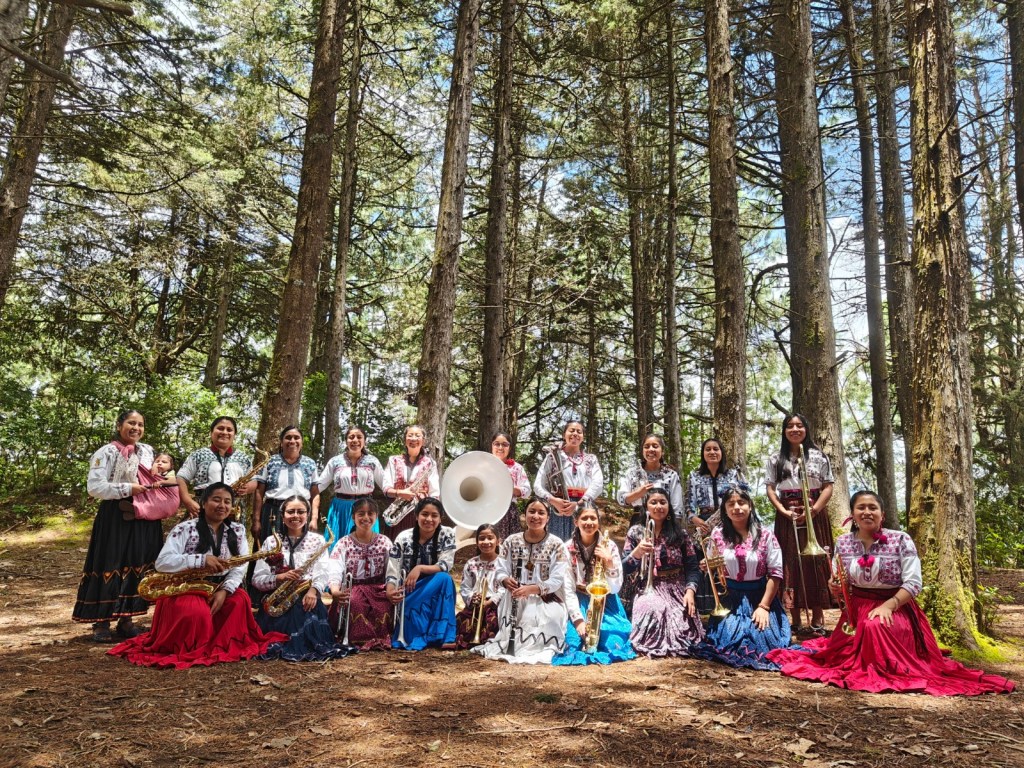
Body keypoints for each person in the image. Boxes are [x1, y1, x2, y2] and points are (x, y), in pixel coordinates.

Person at [768, 491, 1015, 695]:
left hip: (896, 607)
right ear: (852, 515)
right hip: (855, 611)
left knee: (874, 626)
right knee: (843, 648)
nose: (867, 512)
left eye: (872, 507)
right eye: (861, 508)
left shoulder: (900, 539)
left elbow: (914, 583)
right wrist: (837, 589)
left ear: (882, 514)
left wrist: (888, 605)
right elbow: (842, 582)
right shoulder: (843, 543)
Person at [108, 483, 287, 668]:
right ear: (203, 502)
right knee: (197, 613)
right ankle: (195, 647)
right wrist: (201, 560)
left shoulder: (238, 530)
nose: (222, 506)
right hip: (185, 587)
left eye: (227, 502)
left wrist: (225, 590)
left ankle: (218, 644)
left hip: (219, 587)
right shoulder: (184, 528)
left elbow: (238, 566)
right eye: (216, 500)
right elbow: (163, 562)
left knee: (239, 601)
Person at [73, 410, 165, 642]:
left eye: (140, 424)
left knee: (136, 562)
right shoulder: (106, 452)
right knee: (110, 562)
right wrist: (126, 489)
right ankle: (101, 621)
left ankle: (127, 619)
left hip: (142, 513)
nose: (136, 428)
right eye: (131, 423)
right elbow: (95, 487)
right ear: (119, 425)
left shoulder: (148, 451)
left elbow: (156, 477)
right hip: (115, 513)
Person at [691, 488, 791, 670]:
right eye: (731, 504)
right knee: (727, 641)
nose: (737, 508)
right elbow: (714, 565)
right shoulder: (717, 534)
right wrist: (708, 565)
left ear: (750, 506)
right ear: (725, 510)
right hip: (730, 599)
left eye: (741, 503)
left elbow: (775, 574)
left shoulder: (766, 535)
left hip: (759, 599)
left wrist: (764, 607)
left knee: (763, 641)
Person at [473, 498, 570, 664]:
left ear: (548, 518)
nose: (536, 516)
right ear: (524, 515)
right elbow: (500, 569)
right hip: (515, 595)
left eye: (541, 513)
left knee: (550, 620)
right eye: (531, 511)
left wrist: (533, 589)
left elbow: (557, 580)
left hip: (545, 598)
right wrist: (504, 580)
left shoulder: (557, 544)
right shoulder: (511, 541)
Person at [252, 495, 348, 661]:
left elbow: (323, 571)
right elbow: (257, 578)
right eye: (290, 512)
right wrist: (279, 577)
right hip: (276, 600)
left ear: (308, 514)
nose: (295, 516)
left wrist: (313, 591)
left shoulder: (318, 540)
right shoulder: (270, 541)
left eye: (300, 511)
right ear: (282, 516)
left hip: (306, 597)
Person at [764, 413, 835, 635]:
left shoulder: (819, 455)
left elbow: (828, 486)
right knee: (790, 562)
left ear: (806, 429)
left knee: (815, 562)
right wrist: (783, 510)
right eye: (790, 426)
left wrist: (814, 510)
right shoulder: (776, 458)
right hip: (788, 513)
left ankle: (818, 616)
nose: (795, 429)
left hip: (814, 510)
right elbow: (770, 488)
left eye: (799, 425)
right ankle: (794, 618)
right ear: (784, 431)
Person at [624, 487, 705, 657]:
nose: (658, 506)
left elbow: (692, 567)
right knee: (653, 610)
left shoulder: (680, 534)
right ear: (646, 507)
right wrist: (637, 552)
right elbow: (624, 568)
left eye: (663, 502)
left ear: (669, 506)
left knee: (681, 627)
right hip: (648, 587)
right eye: (653, 502)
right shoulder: (635, 532)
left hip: (677, 588)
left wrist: (690, 591)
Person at [553, 504, 635, 666]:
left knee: (612, 643)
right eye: (584, 518)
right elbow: (568, 589)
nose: (589, 522)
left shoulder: (609, 546)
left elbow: (616, 588)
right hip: (578, 601)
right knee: (573, 643)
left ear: (598, 521)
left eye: (593, 518)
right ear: (576, 521)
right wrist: (578, 620)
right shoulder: (567, 547)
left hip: (606, 601)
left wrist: (609, 562)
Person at [685, 437, 750, 614]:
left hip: (729, 522)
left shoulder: (732, 475)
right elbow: (688, 506)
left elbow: (742, 499)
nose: (712, 452)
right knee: (706, 563)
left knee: (727, 560)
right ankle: (708, 607)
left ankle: (732, 603)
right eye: (708, 449)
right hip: (705, 524)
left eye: (716, 449)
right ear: (703, 454)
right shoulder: (694, 475)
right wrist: (694, 519)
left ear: (722, 453)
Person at [385, 497, 457, 650]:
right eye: (424, 514)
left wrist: (420, 569)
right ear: (416, 516)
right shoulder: (403, 537)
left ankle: (445, 636)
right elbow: (393, 568)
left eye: (434, 515)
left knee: (444, 579)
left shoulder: (447, 533)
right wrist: (390, 590)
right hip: (410, 589)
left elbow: (445, 564)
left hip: (436, 585)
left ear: (440, 518)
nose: (429, 519)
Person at [328, 498, 394, 650]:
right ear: (353, 517)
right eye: (361, 514)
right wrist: (335, 591)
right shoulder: (344, 543)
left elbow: (392, 569)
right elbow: (334, 568)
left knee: (383, 605)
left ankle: (382, 638)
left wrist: (391, 589)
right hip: (353, 588)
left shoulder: (385, 542)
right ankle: (359, 640)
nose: (366, 518)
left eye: (370, 513)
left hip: (379, 588)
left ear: (376, 517)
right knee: (355, 602)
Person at [533, 421, 604, 541]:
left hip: (583, 507)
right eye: (571, 430)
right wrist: (553, 500)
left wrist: (579, 503)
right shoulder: (552, 456)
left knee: (583, 543)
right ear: (564, 434)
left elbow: (598, 483)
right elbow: (538, 484)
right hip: (559, 507)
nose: (575, 434)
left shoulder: (591, 459)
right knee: (557, 545)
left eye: (579, 432)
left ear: (583, 437)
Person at [318, 425, 385, 548]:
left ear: (364, 440)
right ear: (346, 441)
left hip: (366, 508)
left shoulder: (372, 461)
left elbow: (386, 485)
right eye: (351, 437)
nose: (355, 440)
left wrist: (401, 492)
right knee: (337, 545)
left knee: (367, 546)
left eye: (359, 437)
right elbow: (319, 485)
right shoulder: (335, 461)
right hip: (341, 509)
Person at [177, 416, 255, 520]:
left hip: (234, 510)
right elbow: (181, 478)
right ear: (211, 433)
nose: (225, 432)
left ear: (234, 435)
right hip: (202, 507)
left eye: (229, 430)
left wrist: (248, 487)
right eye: (220, 428)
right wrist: (187, 500)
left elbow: (254, 481)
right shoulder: (198, 454)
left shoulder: (244, 458)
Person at [252, 426, 319, 545]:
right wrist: (256, 520)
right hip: (272, 512)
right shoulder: (269, 462)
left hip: (299, 513)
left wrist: (314, 519)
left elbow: (315, 494)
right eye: (288, 438)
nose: (292, 441)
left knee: (299, 549)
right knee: (269, 551)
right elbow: (259, 492)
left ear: (301, 442)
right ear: (281, 442)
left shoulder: (310, 463)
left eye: (296, 438)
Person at [381, 425, 440, 540]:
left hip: (419, 515)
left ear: (423, 441)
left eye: (418, 436)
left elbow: (434, 493)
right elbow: (386, 488)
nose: (413, 439)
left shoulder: (430, 463)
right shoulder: (393, 460)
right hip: (396, 513)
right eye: (410, 435)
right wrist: (400, 493)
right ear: (405, 440)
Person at [454, 524, 505, 650]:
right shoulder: (471, 563)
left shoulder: (503, 564)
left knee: (492, 622)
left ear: (498, 541)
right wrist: (472, 597)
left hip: (494, 605)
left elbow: (504, 588)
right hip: (475, 604)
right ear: (476, 542)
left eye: (490, 538)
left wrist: (490, 601)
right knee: (461, 620)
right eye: (482, 538)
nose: (486, 542)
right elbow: (465, 587)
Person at [617, 434, 684, 522]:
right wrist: (639, 493)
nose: (651, 449)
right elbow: (622, 499)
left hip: (665, 521)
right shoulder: (632, 473)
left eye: (655, 446)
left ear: (662, 451)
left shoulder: (671, 475)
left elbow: (677, 508)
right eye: (647, 446)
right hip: (639, 520)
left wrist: (674, 528)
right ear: (643, 451)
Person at [489, 432, 531, 540]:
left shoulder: (516, 468)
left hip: (509, 512)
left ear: (509, 447)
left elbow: (527, 491)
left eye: (505, 444)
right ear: (491, 445)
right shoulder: (484, 465)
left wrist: (511, 489)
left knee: (510, 546)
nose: (500, 447)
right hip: (487, 509)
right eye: (496, 444)